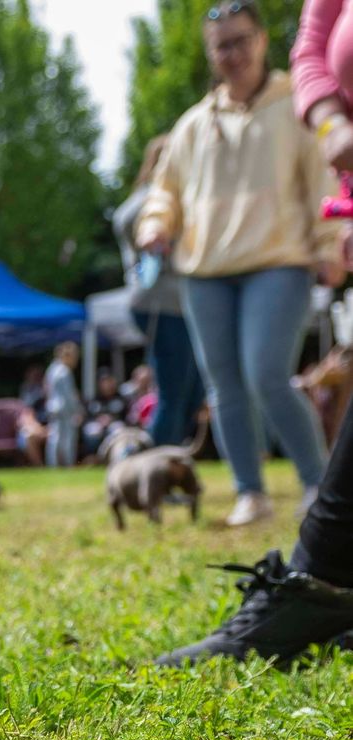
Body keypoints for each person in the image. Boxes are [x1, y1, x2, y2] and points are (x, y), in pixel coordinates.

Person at [149, 0, 353, 666]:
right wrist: (155, 222)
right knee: (224, 386)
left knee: (268, 372)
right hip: (206, 268)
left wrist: (329, 238)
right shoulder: (193, 123)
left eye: (238, 42)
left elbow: (326, 171)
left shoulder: (292, 106)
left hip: (278, 261)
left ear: (263, 41)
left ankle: (318, 488)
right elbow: (165, 187)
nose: (229, 55)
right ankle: (249, 491)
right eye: (218, 47)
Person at [114, 138, 207, 449]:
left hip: (177, 306)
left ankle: (158, 459)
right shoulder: (152, 200)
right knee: (174, 392)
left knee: (190, 391)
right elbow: (125, 220)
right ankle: (145, 462)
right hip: (161, 305)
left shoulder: (167, 197)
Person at [43, 342, 82, 467]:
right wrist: (77, 410)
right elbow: (69, 395)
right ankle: (68, 465)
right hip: (64, 409)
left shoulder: (52, 369)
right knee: (67, 440)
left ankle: (53, 465)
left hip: (52, 407)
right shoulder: (65, 372)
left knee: (54, 438)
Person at [82, 370, 132, 456]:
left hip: (114, 425)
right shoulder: (94, 400)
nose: (107, 385)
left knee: (117, 428)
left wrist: (111, 419)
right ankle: (93, 457)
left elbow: (126, 417)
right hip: (98, 426)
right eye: (104, 382)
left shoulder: (121, 398)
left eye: (109, 381)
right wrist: (99, 420)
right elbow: (87, 417)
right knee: (92, 430)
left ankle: (117, 455)